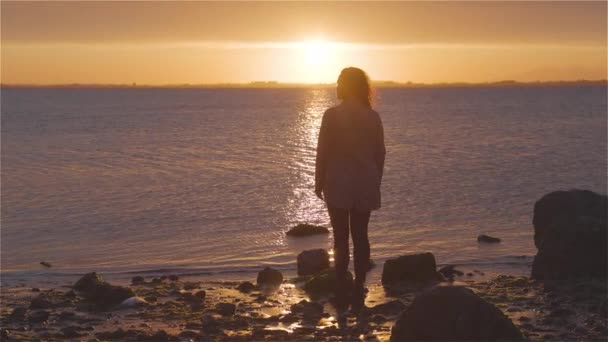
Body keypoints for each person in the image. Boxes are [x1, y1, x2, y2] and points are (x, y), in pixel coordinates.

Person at [314, 67, 385, 313]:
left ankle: (341, 285)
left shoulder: (332, 115)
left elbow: (322, 151)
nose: (336, 86)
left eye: (339, 82)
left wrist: (318, 179)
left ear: (345, 85)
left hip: (338, 181)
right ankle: (359, 284)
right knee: (361, 235)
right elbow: (380, 153)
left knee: (341, 236)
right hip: (365, 181)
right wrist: (377, 179)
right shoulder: (372, 116)